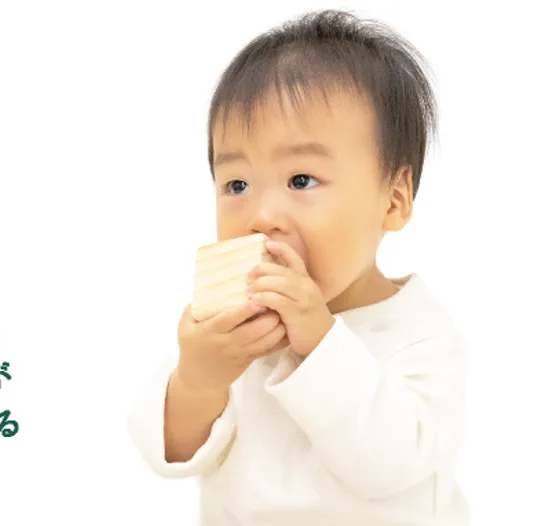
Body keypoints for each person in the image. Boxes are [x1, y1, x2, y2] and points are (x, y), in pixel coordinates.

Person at [126, 9, 469, 526]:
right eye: (237, 185)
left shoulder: (420, 337)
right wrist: (198, 379)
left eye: (301, 180)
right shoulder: (232, 332)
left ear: (394, 200)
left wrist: (320, 342)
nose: (262, 216)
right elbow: (170, 452)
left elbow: (390, 465)